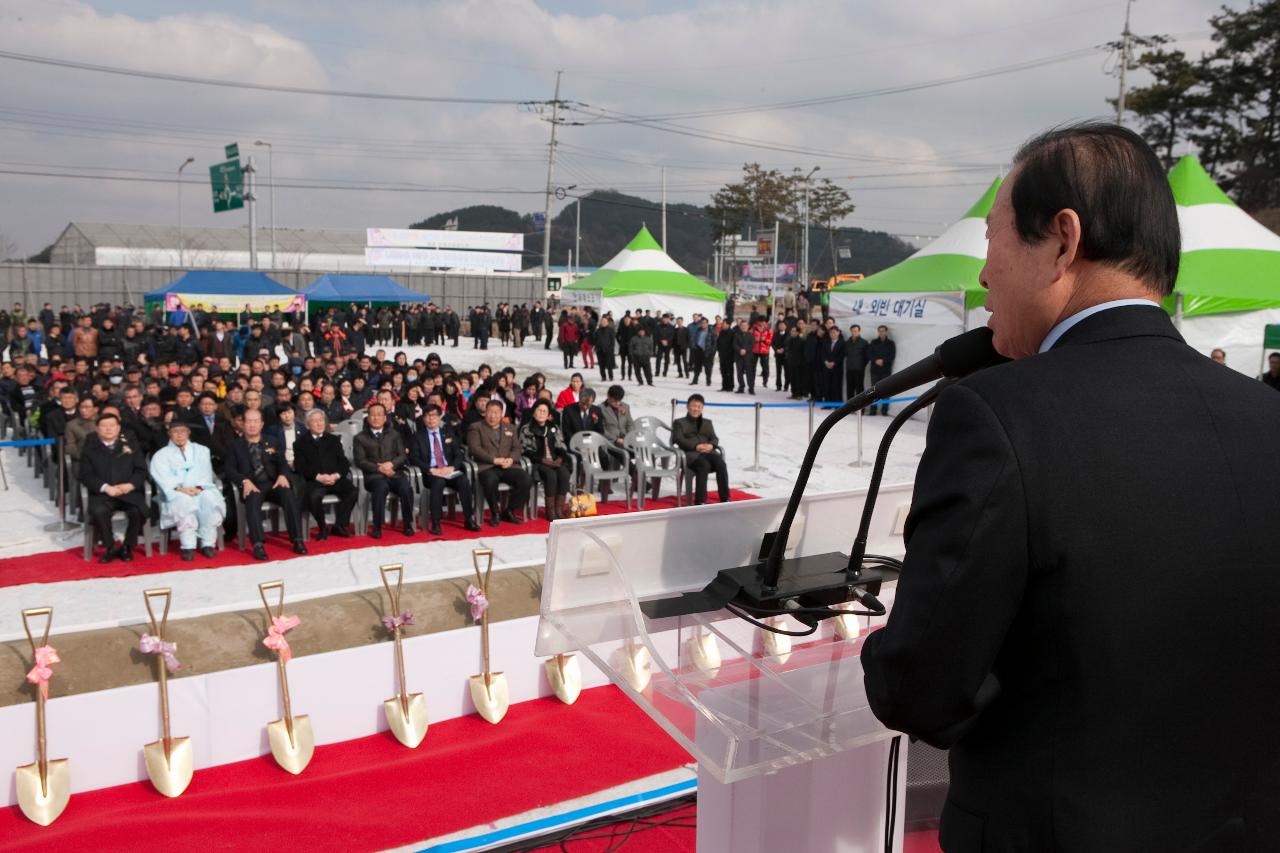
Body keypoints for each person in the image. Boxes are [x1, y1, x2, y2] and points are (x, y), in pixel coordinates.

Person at [860, 122, 1280, 852]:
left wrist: (878, 647)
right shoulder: (1266, 416)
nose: (984, 275)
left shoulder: (997, 415)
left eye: (993, 240)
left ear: (1062, 240)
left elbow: (922, 690)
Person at [149, 420, 225, 561]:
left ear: (188, 433)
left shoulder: (202, 450)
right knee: (184, 502)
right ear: (169, 434)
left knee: (210, 499)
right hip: (177, 493)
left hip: (200, 489)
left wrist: (198, 488)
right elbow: (163, 477)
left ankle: (207, 543)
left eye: (182, 431)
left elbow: (206, 474)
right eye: (175, 432)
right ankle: (188, 546)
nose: (179, 435)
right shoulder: (161, 455)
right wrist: (180, 489)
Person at [80, 412, 147, 563]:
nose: (108, 429)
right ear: (97, 429)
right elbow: (85, 475)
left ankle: (127, 546)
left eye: (112, 426)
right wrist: (105, 487)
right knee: (99, 511)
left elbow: (141, 470)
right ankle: (109, 547)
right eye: (104, 426)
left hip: (127, 492)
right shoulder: (90, 449)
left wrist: (130, 485)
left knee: (138, 511)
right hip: (103, 494)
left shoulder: (131, 446)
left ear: (118, 428)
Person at [410, 404, 481, 535]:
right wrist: (431, 469)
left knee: (464, 481)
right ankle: (436, 523)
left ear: (440, 417)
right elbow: (413, 458)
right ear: (423, 418)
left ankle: (468, 519)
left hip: (448, 470)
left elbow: (459, 454)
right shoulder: (417, 436)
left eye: (434, 416)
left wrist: (452, 467)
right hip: (431, 472)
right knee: (438, 483)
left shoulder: (447, 433)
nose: (431, 419)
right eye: (427, 416)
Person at [292, 409, 358, 539]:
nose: (319, 423)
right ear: (307, 425)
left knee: (353, 492)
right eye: (315, 421)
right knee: (314, 496)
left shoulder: (333, 439)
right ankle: (322, 527)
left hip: (335, 478)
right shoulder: (300, 443)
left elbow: (343, 462)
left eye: (321, 420)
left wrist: (336, 475)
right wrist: (318, 477)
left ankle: (339, 525)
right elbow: (300, 466)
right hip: (314, 480)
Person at [353, 402, 415, 539]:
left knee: (406, 488)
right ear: (367, 418)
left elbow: (402, 455)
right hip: (373, 476)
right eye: (373, 415)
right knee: (381, 487)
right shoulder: (359, 437)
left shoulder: (394, 434)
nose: (376, 418)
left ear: (385, 418)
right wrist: (379, 468)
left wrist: (391, 464)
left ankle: (408, 524)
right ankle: (377, 526)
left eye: (379, 415)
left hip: (395, 473)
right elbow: (360, 461)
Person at [466, 399, 531, 526]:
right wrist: (494, 460)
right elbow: (475, 449)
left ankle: (509, 510)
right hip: (487, 466)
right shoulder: (475, 427)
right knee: (491, 480)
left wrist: (511, 459)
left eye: (496, 412)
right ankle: (495, 512)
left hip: (508, 465)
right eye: (490, 412)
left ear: (502, 413)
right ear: (485, 412)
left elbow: (517, 448)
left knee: (526, 480)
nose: (493, 415)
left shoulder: (510, 427)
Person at [671, 394, 730, 505]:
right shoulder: (679, 423)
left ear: (702, 408)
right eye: (693, 406)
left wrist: (712, 446)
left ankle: (725, 498)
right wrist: (696, 446)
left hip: (709, 452)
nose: (696, 409)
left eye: (699, 406)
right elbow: (678, 439)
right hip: (691, 454)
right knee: (704, 465)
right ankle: (700, 501)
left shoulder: (707, 423)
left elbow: (714, 438)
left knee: (721, 464)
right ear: (688, 406)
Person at [519, 400, 572, 520]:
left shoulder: (554, 428)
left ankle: (559, 509)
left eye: (545, 411)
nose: (542, 413)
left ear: (549, 415)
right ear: (533, 413)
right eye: (539, 410)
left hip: (553, 460)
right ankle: (550, 511)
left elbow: (561, 445)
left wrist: (560, 458)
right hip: (537, 462)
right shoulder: (526, 429)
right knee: (551, 475)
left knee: (564, 473)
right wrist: (542, 460)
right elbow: (524, 450)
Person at [866, 324, 895, 414]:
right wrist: (875, 360)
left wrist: (883, 360)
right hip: (874, 370)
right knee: (873, 391)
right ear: (878, 332)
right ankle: (873, 410)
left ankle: (884, 410)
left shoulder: (891, 343)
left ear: (886, 332)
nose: (881, 332)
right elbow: (869, 354)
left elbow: (892, 356)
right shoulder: (873, 342)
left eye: (883, 331)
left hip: (886, 370)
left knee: (886, 390)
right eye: (880, 331)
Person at [600, 384, 635, 451]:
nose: (618, 403)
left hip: (626, 440)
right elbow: (602, 429)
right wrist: (616, 439)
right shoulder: (601, 409)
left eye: (619, 400)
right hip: (610, 442)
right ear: (608, 396)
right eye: (615, 401)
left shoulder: (625, 406)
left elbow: (630, 424)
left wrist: (628, 436)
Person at [817, 324, 845, 402]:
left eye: (834, 332)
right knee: (827, 385)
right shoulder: (826, 342)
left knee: (836, 386)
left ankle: (837, 404)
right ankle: (827, 403)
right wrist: (826, 362)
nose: (833, 334)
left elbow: (842, 355)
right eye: (831, 333)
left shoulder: (842, 343)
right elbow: (823, 353)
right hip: (826, 367)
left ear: (838, 333)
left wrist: (834, 363)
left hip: (837, 368)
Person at [844, 324, 869, 399]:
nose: (854, 332)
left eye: (855, 331)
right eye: (852, 331)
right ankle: (849, 408)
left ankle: (860, 409)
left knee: (859, 389)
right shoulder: (847, 342)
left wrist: (861, 365)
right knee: (849, 389)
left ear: (859, 331)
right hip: (849, 369)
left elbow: (867, 357)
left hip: (859, 370)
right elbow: (845, 354)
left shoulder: (864, 342)